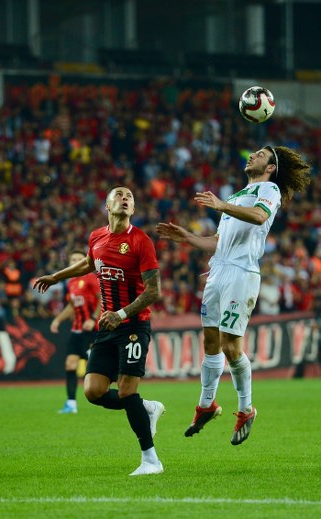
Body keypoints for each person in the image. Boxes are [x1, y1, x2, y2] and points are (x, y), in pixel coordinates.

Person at [156, 146, 311, 445]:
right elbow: (218, 242)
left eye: (260, 155)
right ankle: (206, 404)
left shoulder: (269, 189)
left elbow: (258, 215)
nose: (252, 156)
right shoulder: (237, 195)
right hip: (218, 271)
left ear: (270, 167)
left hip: (242, 272)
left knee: (230, 345)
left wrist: (220, 205)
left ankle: (246, 409)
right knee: (211, 342)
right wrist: (187, 237)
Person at [34, 185, 165, 476]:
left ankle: (151, 460)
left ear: (133, 207)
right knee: (93, 391)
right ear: (107, 205)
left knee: (128, 390)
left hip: (133, 324)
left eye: (130, 196)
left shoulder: (140, 241)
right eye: (119, 194)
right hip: (107, 328)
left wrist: (120, 314)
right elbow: (88, 264)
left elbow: (153, 291)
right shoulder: (97, 237)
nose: (125, 198)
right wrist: (56, 277)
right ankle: (147, 408)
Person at [50, 249, 101, 414]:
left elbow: (102, 298)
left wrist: (92, 319)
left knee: (95, 366)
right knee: (70, 364)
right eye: (74, 260)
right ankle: (71, 404)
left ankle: (117, 391)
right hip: (76, 329)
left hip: (92, 329)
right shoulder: (71, 282)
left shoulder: (91, 278)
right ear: (70, 263)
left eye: (80, 259)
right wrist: (58, 320)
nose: (77, 262)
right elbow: (72, 306)